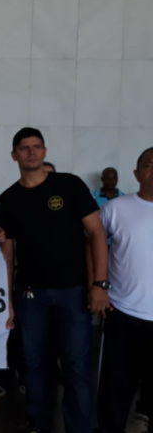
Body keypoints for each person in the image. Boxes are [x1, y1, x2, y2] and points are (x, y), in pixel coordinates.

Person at [0, 127, 109, 433]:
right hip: (30, 295)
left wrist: (100, 284)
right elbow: (7, 255)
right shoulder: (8, 199)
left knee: (76, 367)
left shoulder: (69, 185)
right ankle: (38, 423)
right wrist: (6, 302)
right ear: (14, 155)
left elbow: (96, 233)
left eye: (37, 146)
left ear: (44, 151)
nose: (31, 152)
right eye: (24, 147)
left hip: (73, 293)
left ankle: (79, 428)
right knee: (33, 365)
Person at [97, 147, 153, 433]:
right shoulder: (116, 208)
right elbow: (93, 245)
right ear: (136, 173)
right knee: (115, 389)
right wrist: (99, 286)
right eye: (148, 164)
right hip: (124, 311)